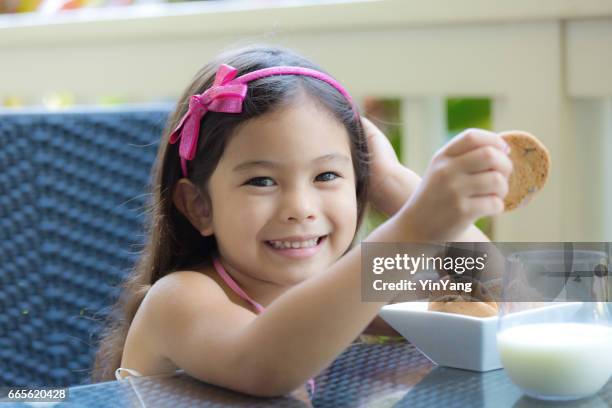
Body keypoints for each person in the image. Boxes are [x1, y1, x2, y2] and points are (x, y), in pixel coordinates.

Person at [91, 44, 512, 397]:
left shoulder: (338, 292)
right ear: (199, 206)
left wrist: (393, 183)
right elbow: (265, 364)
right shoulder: (178, 300)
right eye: (261, 180)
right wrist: (415, 229)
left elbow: (500, 293)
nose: (300, 206)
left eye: (326, 175)